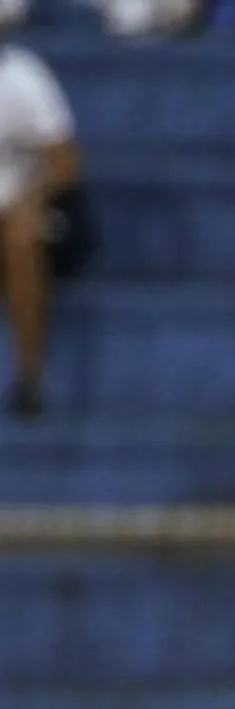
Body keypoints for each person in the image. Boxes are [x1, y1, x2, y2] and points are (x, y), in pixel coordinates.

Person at [1, 28, 84, 417]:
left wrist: (30, 199)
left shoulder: (22, 76)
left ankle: (30, 378)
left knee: (20, 234)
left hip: (33, 211)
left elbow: (67, 162)